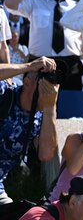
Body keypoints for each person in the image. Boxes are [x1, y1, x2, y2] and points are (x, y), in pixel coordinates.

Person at [4, 0, 83, 90]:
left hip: (71, 68)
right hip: (39, 65)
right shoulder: (35, 3)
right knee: (34, 103)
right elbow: (9, 4)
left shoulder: (80, 9)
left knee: (69, 103)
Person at [0, 57, 59, 205]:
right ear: (27, 83)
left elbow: (46, 154)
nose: (48, 89)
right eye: (42, 84)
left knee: (13, 215)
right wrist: (29, 66)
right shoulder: (6, 93)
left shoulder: (43, 117)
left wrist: (50, 107)